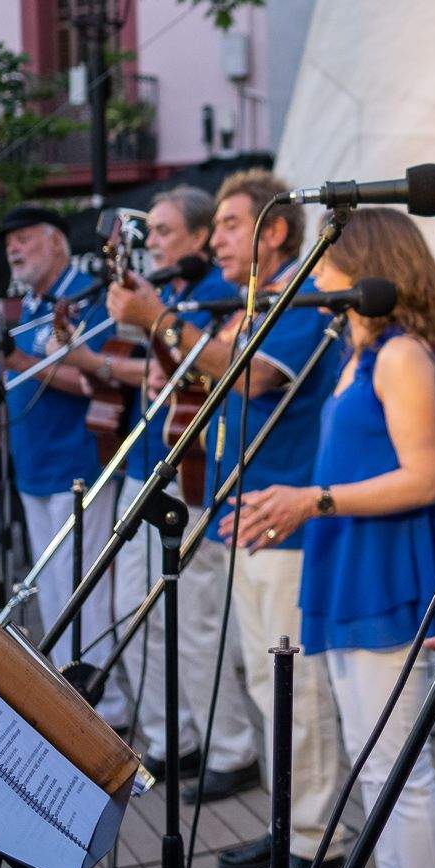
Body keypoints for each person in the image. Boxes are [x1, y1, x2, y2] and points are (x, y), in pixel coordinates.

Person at [114, 171, 351, 868]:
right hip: (243, 517)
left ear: (273, 230)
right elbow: (208, 372)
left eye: (227, 224)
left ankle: (319, 841)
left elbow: (248, 377)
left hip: (287, 523)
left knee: (297, 692)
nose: (214, 238)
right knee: (263, 685)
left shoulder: (301, 299)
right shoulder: (243, 306)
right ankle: (289, 828)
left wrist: (158, 316)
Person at [223, 208, 435, 868]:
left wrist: (312, 500)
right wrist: (294, 506)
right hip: (346, 563)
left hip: (383, 570)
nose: (316, 273)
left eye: (327, 261)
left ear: (366, 266)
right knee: (372, 764)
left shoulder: (402, 353)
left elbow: (424, 477)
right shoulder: (355, 353)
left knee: (397, 774)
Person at [88, 184, 266, 797]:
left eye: (166, 232)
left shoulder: (217, 296)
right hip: (159, 465)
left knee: (194, 620)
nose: (156, 243)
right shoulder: (180, 296)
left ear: (195, 238)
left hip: (195, 473)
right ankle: (175, 739)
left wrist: (150, 327)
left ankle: (230, 747)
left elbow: (206, 366)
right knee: (135, 613)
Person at [0, 203, 129, 730]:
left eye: (24, 238)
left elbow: (96, 380)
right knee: (50, 590)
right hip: (32, 465)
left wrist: (20, 364)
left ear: (56, 242)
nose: (14, 248)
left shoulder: (87, 297)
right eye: (9, 242)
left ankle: (108, 708)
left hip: (81, 464)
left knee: (85, 591)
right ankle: (66, 698)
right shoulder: (29, 304)